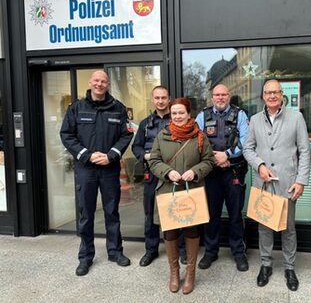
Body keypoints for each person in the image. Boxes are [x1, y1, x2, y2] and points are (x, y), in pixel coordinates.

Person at [60, 70, 134, 276]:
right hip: (86, 169)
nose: (100, 84)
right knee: (86, 214)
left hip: (109, 169)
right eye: (96, 81)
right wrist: (86, 155)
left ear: (108, 84)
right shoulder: (76, 108)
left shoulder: (118, 108)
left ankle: (115, 251)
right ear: (90, 82)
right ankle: (85, 257)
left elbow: (126, 134)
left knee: (112, 212)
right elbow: (66, 134)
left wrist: (111, 154)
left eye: (103, 81)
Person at [243, 79, 310, 291]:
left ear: (282, 95)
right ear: (262, 96)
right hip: (263, 184)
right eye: (267, 92)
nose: (272, 96)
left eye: (275, 92)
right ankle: (266, 265)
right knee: (264, 227)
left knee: (288, 228)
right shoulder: (254, 120)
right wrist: (260, 165)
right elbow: (248, 149)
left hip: (287, 183)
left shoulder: (296, 117)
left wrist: (301, 180)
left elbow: (305, 151)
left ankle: (290, 267)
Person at [148, 97, 214, 294]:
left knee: (192, 231)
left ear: (188, 114)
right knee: (170, 233)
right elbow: (154, 161)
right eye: (174, 113)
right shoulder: (162, 135)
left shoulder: (199, 136)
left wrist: (195, 172)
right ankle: (174, 273)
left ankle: (190, 274)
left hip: (191, 191)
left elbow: (209, 161)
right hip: (169, 191)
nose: (177, 116)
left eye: (181, 113)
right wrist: (167, 172)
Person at [195, 84, 249, 272]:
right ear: (212, 97)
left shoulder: (240, 115)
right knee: (211, 214)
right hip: (211, 173)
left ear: (229, 96)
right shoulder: (202, 116)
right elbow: (197, 141)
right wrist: (215, 158)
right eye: (217, 95)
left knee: (235, 214)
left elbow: (246, 141)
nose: (220, 98)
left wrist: (227, 155)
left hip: (234, 171)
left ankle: (238, 252)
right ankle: (211, 251)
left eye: (224, 94)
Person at [131, 86, 171, 267]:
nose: (160, 101)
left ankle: (181, 249)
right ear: (153, 100)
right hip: (152, 175)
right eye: (157, 98)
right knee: (149, 214)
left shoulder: (178, 120)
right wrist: (145, 156)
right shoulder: (145, 124)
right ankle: (151, 250)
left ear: (169, 99)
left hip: (172, 174)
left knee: (176, 211)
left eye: (163, 97)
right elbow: (136, 147)